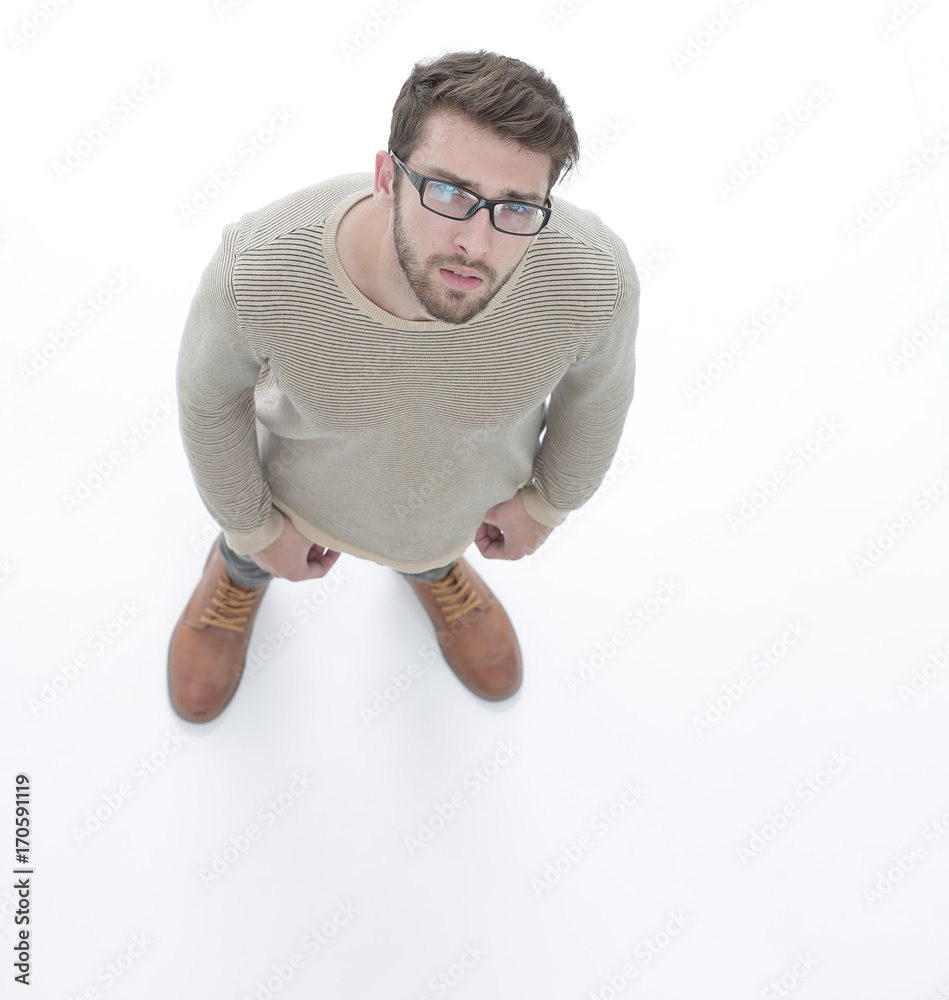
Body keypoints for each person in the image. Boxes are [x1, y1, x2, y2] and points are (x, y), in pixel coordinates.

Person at [168, 50, 639, 723]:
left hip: (458, 504)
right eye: (448, 192)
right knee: (250, 553)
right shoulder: (261, 267)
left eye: (514, 207)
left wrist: (548, 503)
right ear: (388, 176)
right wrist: (251, 529)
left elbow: (601, 394)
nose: (476, 242)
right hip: (297, 494)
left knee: (429, 541)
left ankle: (434, 566)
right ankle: (239, 576)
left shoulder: (592, 277)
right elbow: (207, 402)